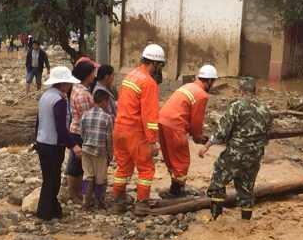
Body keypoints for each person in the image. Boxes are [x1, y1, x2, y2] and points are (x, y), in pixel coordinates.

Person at [199, 77, 273, 221]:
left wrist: (207, 146)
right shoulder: (265, 109)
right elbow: (268, 134)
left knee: (218, 182)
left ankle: (216, 220)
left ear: (240, 90)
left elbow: (222, 132)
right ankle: (245, 224)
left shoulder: (236, 106)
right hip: (255, 156)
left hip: (235, 154)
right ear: (254, 90)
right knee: (246, 189)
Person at [112, 44, 165, 216]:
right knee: (146, 168)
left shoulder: (130, 76)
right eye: (161, 66)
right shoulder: (148, 82)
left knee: (123, 167)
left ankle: (118, 202)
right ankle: (142, 204)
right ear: (155, 64)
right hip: (135, 132)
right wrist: (152, 141)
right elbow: (150, 117)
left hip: (119, 129)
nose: (160, 70)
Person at [159, 64, 217, 196]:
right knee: (182, 161)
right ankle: (176, 192)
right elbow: (196, 121)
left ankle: (174, 188)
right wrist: (198, 137)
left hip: (162, 121)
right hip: (175, 125)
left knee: (171, 158)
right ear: (209, 81)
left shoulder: (187, 86)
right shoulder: (201, 95)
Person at [35, 66, 82, 221]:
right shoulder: (59, 100)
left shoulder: (45, 96)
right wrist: (73, 146)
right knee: (52, 180)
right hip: (53, 145)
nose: (70, 86)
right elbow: (61, 128)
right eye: (68, 83)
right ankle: (45, 213)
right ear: (62, 83)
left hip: (42, 142)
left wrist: (36, 139)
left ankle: (52, 210)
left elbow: (38, 121)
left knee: (49, 178)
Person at [66, 61, 96, 204]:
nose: (93, 76)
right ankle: (75, 193)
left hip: (76, 130)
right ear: (87, 75)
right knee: (78, 166)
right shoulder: (82, 94)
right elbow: (87, 117)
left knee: (78, 165)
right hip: (81, 132)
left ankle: (77, 193)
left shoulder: (76, 88)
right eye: (92, 74)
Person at [80, 89, 113, 210]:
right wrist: (110, 154)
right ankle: (100, 202)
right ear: (104, 101)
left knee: (87, 176)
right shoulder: (107, 118)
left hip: (86, 150)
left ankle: (86, 202)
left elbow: (82, 133)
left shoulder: (85, 115)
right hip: (100, 151)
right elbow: (109, 139)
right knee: (100, 178)